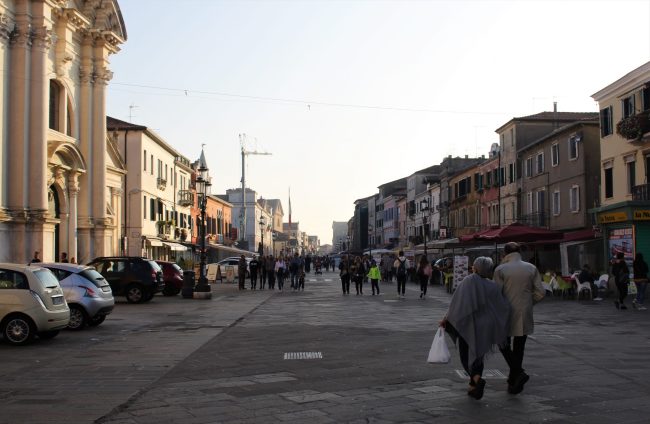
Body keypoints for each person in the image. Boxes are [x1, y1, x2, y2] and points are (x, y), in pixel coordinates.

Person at [440, 257, 511, 400]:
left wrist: (446, 318)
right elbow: (502, 306)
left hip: (469, 324)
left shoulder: (469, 281)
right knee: (478, 355)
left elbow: (458, 303)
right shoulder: (493, 285)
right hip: (486, 326)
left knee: (465, 355)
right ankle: (473, 386)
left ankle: (477, 380)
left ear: (476, 268)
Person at [493, 242, 545, 395]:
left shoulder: (500, 269)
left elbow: (496, 294)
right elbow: (541, 292)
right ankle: (514, 379)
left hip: (505, 312)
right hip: (525, 311)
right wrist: (529, 302)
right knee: (519, 347)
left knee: (502, 343)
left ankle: (517, 374)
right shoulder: (531, 267)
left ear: (505, 253)